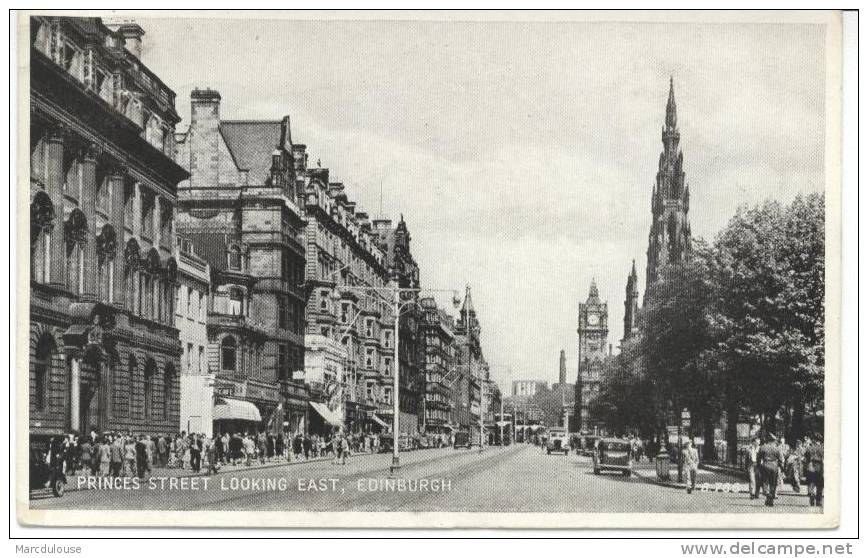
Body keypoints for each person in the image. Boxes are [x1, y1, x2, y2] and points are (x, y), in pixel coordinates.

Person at [757, 435, 784, 507]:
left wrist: (758, 466)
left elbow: (758, 458)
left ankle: (767, 493)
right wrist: (781, 467)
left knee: (765, 482)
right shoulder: (777, 448)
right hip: (774, 466)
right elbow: (781, 459)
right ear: (774, 441)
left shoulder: (762, 447)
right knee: (773, 483)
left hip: (765, 465)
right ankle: (771, 499)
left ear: (767, 440)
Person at [804, 434, 824, 507]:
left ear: (814, 440)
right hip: (820, 467)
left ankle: (812, 495)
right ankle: (819, 501)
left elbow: (806, 458)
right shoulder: (823, 448)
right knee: (820, 485)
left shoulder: (809, 448)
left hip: (811, 466)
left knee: (811, 482)